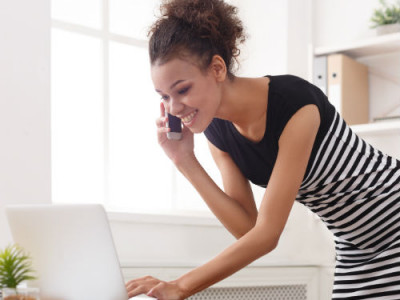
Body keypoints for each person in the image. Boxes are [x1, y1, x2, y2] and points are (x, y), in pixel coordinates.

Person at [125, 0, 400, 299]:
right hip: (356, 247)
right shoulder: (217, 131)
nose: (174, 108)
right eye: (164, 96)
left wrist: (182, 285)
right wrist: (184, 161)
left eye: (182, 90)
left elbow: (268, 235)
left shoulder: (295, 104)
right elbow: (249, 229)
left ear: (217, 68)